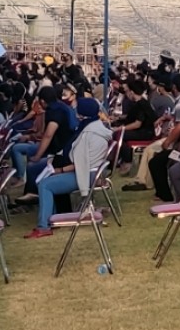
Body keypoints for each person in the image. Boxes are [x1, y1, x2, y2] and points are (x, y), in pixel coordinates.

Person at [26, 99, 115, 239]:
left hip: (87, 174)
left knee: (45, 184)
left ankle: (44, 226)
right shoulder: (95, 127)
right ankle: (51, 219)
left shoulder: (89, 133)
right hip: (90, 171)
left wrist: (59, 170)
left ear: (83, 114)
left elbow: (81, 163)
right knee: (47, 180)